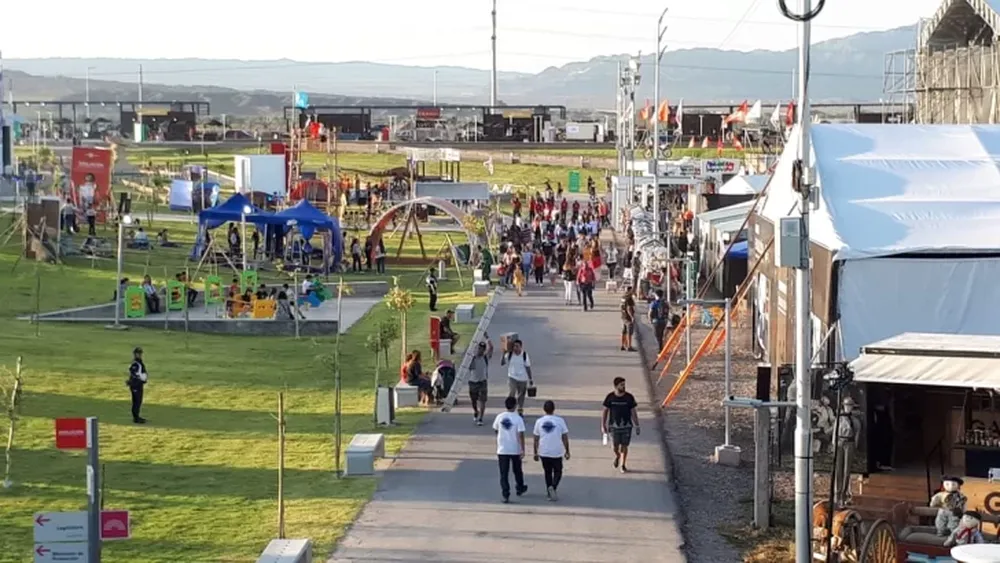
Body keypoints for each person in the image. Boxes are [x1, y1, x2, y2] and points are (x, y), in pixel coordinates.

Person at [533, 400, 570, 501]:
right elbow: (565, 437)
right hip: (556, 451)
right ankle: (553, 487)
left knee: (547, 472)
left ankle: (549, 491)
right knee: (558, 471)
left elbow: (536, 438)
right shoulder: (560, 421)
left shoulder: (539, 422)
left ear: (544, 409)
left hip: (544, 451)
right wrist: (567, 451)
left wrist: (535, 452)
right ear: (554, 409)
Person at [493, 396, 527, 503]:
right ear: (515, 406)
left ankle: (505, 493)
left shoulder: (500, 417)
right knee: (517, 470)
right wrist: (522, 449)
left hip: (502, 449)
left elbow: (496, 429)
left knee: (504, 473)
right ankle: (520, 487)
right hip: (514, 449)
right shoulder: (518, 418)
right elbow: (521, 434)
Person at [602, 377, 640, 473]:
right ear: (616, 386)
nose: (624, 386)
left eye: (624, 384)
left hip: (627, 427)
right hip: (613, 427)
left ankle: (623, 465)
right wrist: (603, 425)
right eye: (621, 385)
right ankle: (618, 456)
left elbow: (633, 411)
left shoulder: (629, 397)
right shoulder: (610, 397)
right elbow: (605, 411)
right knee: (615, 446)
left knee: (624, 446)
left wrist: (637, 425)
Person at [501, 339, 533, 416]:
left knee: (521, 395)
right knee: (512, 392)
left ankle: (520, 409)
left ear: (521, 347)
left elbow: (528, 367)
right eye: (514, 346)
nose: (515, 348)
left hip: (523, 378)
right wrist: (504, 353)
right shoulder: (510, 354)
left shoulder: (524, 355)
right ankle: (510, 408)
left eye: (517, 346)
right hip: (512, 377)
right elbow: (502, 363)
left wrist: (530, 379)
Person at [468, 335, 494, 426]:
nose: (480, 350)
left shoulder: (485, 358)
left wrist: (487, 337)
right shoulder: (472, 358)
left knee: (482, 400)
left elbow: (491, 348)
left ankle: (480, 418)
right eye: (479, 348)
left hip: (482, 382)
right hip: (472, 382)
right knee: (473, 400)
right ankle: (475, 411)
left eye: (482, 349)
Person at [126, 347, 149, 424]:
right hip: (136, 384)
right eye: (138, 353)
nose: (139, 355)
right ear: (135, 354)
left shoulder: (138, 362)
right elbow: (133, 372)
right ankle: (136, 418)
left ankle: (137, 417)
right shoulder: (136, 363)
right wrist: (141, 378)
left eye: (140, 353)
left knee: (138, 401)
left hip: (138, 384)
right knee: (136, 401)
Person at [620, 287, 637, 352]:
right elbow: (629, 308)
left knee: (623, 331)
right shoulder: (629, 298)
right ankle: (629, 346)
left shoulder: (623, 297)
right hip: (628, 317)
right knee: (629, 332)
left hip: (623, 316)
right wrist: (632, 317)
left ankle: (622, 345)